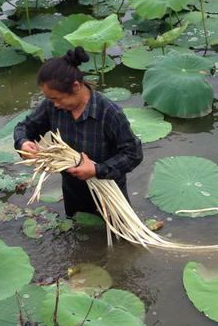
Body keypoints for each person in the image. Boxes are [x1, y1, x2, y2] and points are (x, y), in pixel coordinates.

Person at [13, 47, 143, 217]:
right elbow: (24, 127)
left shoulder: (109, 113)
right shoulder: (52, 106)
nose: (55, 104)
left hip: (108, 195)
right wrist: (23, 142)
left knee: (117, 237)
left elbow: (134, 154)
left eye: (58, 98)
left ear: (76, 87)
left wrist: (97, 169)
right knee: (76, 230)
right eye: (50, 99)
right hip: (72, 193)